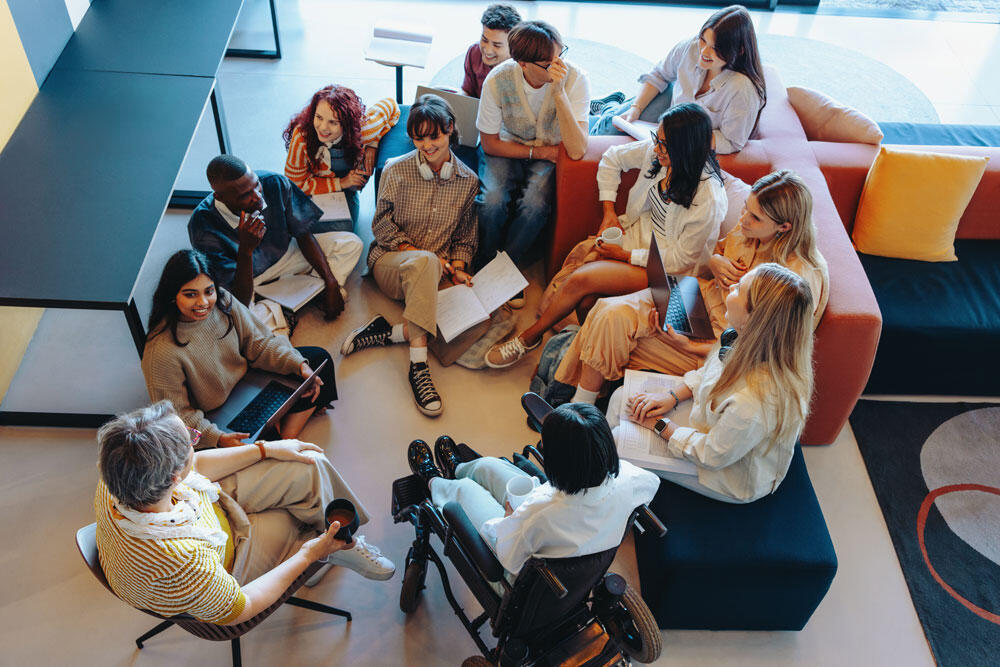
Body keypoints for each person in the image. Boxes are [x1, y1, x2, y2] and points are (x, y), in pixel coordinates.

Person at [95, 402, 394, 626]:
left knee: (309, 462)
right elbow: (244, 606)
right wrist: (308, 555)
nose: (195, 441)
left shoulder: (118, 474)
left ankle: (336, 541)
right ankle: (329, 546)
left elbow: (195, 467)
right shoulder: (186, 562)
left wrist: (266, 449)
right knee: (301, 517)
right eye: (191, 441)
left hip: (206, 507)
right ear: (173, 478)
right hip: (227, 560)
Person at [553, 170, 828, 404]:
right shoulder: (749, 230)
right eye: (745, 207)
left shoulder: (795, 281)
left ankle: (577, 404)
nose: (743, 219)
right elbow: (719, 251)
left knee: (612, 334)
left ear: (784, 227)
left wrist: (689, 346)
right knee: (607, 311)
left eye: (755, 217)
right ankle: (581, 405)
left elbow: (757, 353)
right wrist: (716, 262)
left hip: (719, 341)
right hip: (699, 296)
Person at [485, 103, 726, 369]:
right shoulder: (659, 154)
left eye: (665, 145)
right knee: (587, 301)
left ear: (687, 149)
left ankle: (528, 338)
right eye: (657, 139)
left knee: (582, 279)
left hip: (671, 275)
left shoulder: (708, 199)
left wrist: (625, 255)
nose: (656, 148)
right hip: (639, 241)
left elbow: (681, 260)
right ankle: (584, 355)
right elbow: (612, 158)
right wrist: (609, 212)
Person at [606, 263, 814, 504]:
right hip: (710, 422)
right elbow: (708, 373)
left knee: (619, 441)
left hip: (728, 472)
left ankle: (605, 489)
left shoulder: (755, 402)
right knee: (621, 397)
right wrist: (671, 396)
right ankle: (606, 472)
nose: (731, 287)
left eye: (739, 289)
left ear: (753, 319)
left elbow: (711, 455)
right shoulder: (749, 338)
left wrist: (660, 426)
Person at [339, 95, 478, 418]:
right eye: (418, 138)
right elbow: (381, 225)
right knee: (425, 262)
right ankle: (418, 367)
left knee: (475, 321)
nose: (426, 146)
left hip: (436, 273)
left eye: (434, 137)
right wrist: (420, 255)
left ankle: (386, 332)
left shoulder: (468, 181)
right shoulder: (395, 170)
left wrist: (458, 268)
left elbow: (465, 235)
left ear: (450, 129)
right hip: (392, 263)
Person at [406, 403, 660, 579]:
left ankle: (433, 480)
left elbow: (506, 553)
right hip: (564, 523)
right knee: (489, 466)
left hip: (518, 568)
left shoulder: (541, 516)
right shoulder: (631, 477)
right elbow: (653, 482)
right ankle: (457, 467)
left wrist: (509, 517)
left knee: (465, 490)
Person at [141, 250, 338, 449]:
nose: (203, 302)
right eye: (190, 294)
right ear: (172, 296)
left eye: (209, 291)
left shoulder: (223, 300)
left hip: (250, 383)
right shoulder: (160, 350)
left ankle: (283, 436)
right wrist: (217, 437)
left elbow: (259, 343)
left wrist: (298, 366)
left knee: (316, 360)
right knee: (256, 448)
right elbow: (176, 419)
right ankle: (280, 433)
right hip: (215, 418)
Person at [188, 154, 363, 320]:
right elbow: (239, 298)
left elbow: (303, 233)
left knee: (350, 243)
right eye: (245, 195)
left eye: (256, 185)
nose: (258, 197)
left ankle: (306, 295)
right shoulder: (202, 226)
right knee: (234, 314)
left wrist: (331, 283)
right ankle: (285, 304)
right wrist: (245, 250)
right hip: (248, 276)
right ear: (220, 197)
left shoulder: (274, 183)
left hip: (286, 254)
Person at [475, 20, 591, 270]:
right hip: (507, 144)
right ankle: (486, 260)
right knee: (491, 201)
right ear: (523, 63)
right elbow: (489, 143)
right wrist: (538, 152)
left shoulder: (575, 79)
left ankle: (507, 267)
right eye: (549, 64)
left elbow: (578, 149)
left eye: (561, 55)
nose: (560, 67)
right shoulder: (497, 81)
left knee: (535, 204)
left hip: (551, 150)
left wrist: (559, 93)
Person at [591, 5, 766, 155]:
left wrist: (684, 138)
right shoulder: (690, 47)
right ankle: (611, 107)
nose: (704, 51)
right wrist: (636, 108)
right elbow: (659, 75)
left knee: (606, 138)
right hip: (670, 101)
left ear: (739, 51)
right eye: (703, 40)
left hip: (683, 131)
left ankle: (609, 106)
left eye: (715, 48)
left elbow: (731, 141)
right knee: (607, 130)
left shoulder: (742, 90)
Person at [283, 85, 400, 231]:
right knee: (294, 225)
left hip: (345, 193)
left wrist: (373, 143)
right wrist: (342, 182)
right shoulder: (302, 135)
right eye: (319, 117)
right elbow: (296, 183)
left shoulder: (363, 131)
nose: (323, 127)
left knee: (342, 227)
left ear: (347, 124)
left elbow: (392, 105)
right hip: (311, 190)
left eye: (333, 122)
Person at [461, 4, 522, 98]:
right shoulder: (474, 52)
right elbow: (467, 92)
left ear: (513, 46)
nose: (488, 51)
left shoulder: (523, 66)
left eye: (497, 45)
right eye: (484, 40)